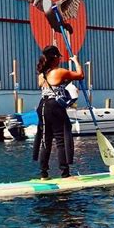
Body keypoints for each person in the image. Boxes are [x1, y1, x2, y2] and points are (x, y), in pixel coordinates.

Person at [33, 45, 84, 179]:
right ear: (55, 58)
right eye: (59, 57)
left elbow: (57, 83)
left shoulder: (42, 74)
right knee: (61, 139)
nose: (60, 60)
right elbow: (80, 75)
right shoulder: (59, 71)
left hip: (42, 106)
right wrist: (76, 61)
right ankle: (65, 174)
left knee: (46, 140)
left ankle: (43, 174)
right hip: (54, 107)